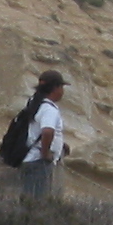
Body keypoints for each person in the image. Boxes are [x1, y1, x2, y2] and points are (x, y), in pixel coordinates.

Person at [20, 69, 68, 198]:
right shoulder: (49, 109)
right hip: (38, 162)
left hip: (29, 158)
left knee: (28, 198)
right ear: (55, 88)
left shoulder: (35, 103)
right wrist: (45, 153)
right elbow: (47, 131)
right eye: (61, 87)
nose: (63, 91)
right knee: (36, 201)